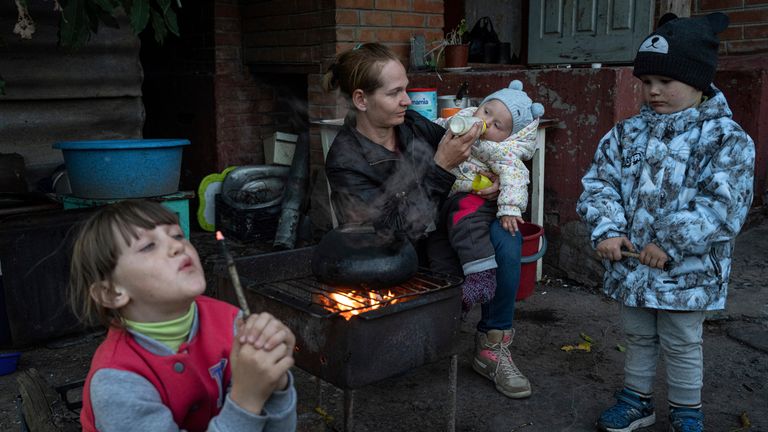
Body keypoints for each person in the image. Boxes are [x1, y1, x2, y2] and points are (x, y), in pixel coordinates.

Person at [576, 12, 755, 432]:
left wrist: (671, 242)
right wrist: (609, 230)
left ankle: (686, 410)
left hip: (687, 271)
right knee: (638, 335)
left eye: (665, 82)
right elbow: (600, 184)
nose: (653, 91)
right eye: (646, 82)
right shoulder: (626, 134)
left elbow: (723, 205)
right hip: (634, 268)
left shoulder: (725, 138)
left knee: (682, 341)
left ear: (697, 80)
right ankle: (638, 400)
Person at [322, 42, 531, 399]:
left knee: (507, 233)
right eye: (395, 92)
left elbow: (463, 149)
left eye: (406, 88)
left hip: (446, 230)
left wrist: (494, 179)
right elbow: (385, 234)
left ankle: (492, 346)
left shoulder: (409, 124)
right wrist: (441, 168)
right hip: (404, 254)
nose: (407, 100)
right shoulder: (345, 160)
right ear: (361, 100)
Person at [69, 200, 297, 431]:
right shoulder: (117, 382)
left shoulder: (231, 323)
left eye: (177, 235)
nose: (178, 247)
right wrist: (246, 399)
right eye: (148, 246)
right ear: (110, 292)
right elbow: (246, 407)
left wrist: (275, 384)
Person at [434, 80, 544, 312]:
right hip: (445, 200)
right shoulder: (460, 123)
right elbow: (437, 129)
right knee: (440, 246)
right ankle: (452, 298)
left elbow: (515, 175)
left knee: (468, 223)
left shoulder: (500, 150)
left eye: (497, 125)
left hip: (473, 200)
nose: (485, 122)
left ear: (508, 137)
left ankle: (481, 277)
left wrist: (509, 209)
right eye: (486, 112)